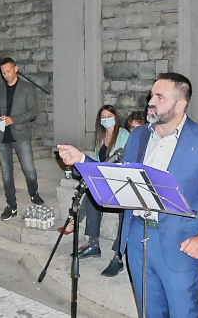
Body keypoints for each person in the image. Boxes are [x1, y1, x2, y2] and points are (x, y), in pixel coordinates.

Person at [59, 72, 198, 318]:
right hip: (138, 238)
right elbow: (117, 177)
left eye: (160, 97)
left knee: (183, 313)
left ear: (180, 105)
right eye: (151, 95)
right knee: (149, 312)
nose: (151, 102)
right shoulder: (139, 135)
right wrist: (81, 160)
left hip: (180, 243)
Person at [60, 105, 130, 277]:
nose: (106, 119)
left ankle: (118, 257)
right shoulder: (101, 137)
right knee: (91, 193)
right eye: (103, 117)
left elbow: (123, 160)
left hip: (120, 181)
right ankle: (93, 244)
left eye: (109, 116)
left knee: (126, 212)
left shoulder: (123, 135)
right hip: (105, 180)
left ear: (116, 117)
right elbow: (98, 161)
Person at [0, 57, 44, 221]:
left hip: (21, 134)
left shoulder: (27, 88)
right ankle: (11, 205)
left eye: (8, 71)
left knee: (29, 169)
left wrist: (14, 119)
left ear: (16, 69)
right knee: (6, 173)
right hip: (2, 135)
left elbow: (32, 112)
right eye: (3, 72)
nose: (6, 75)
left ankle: (33, 193)